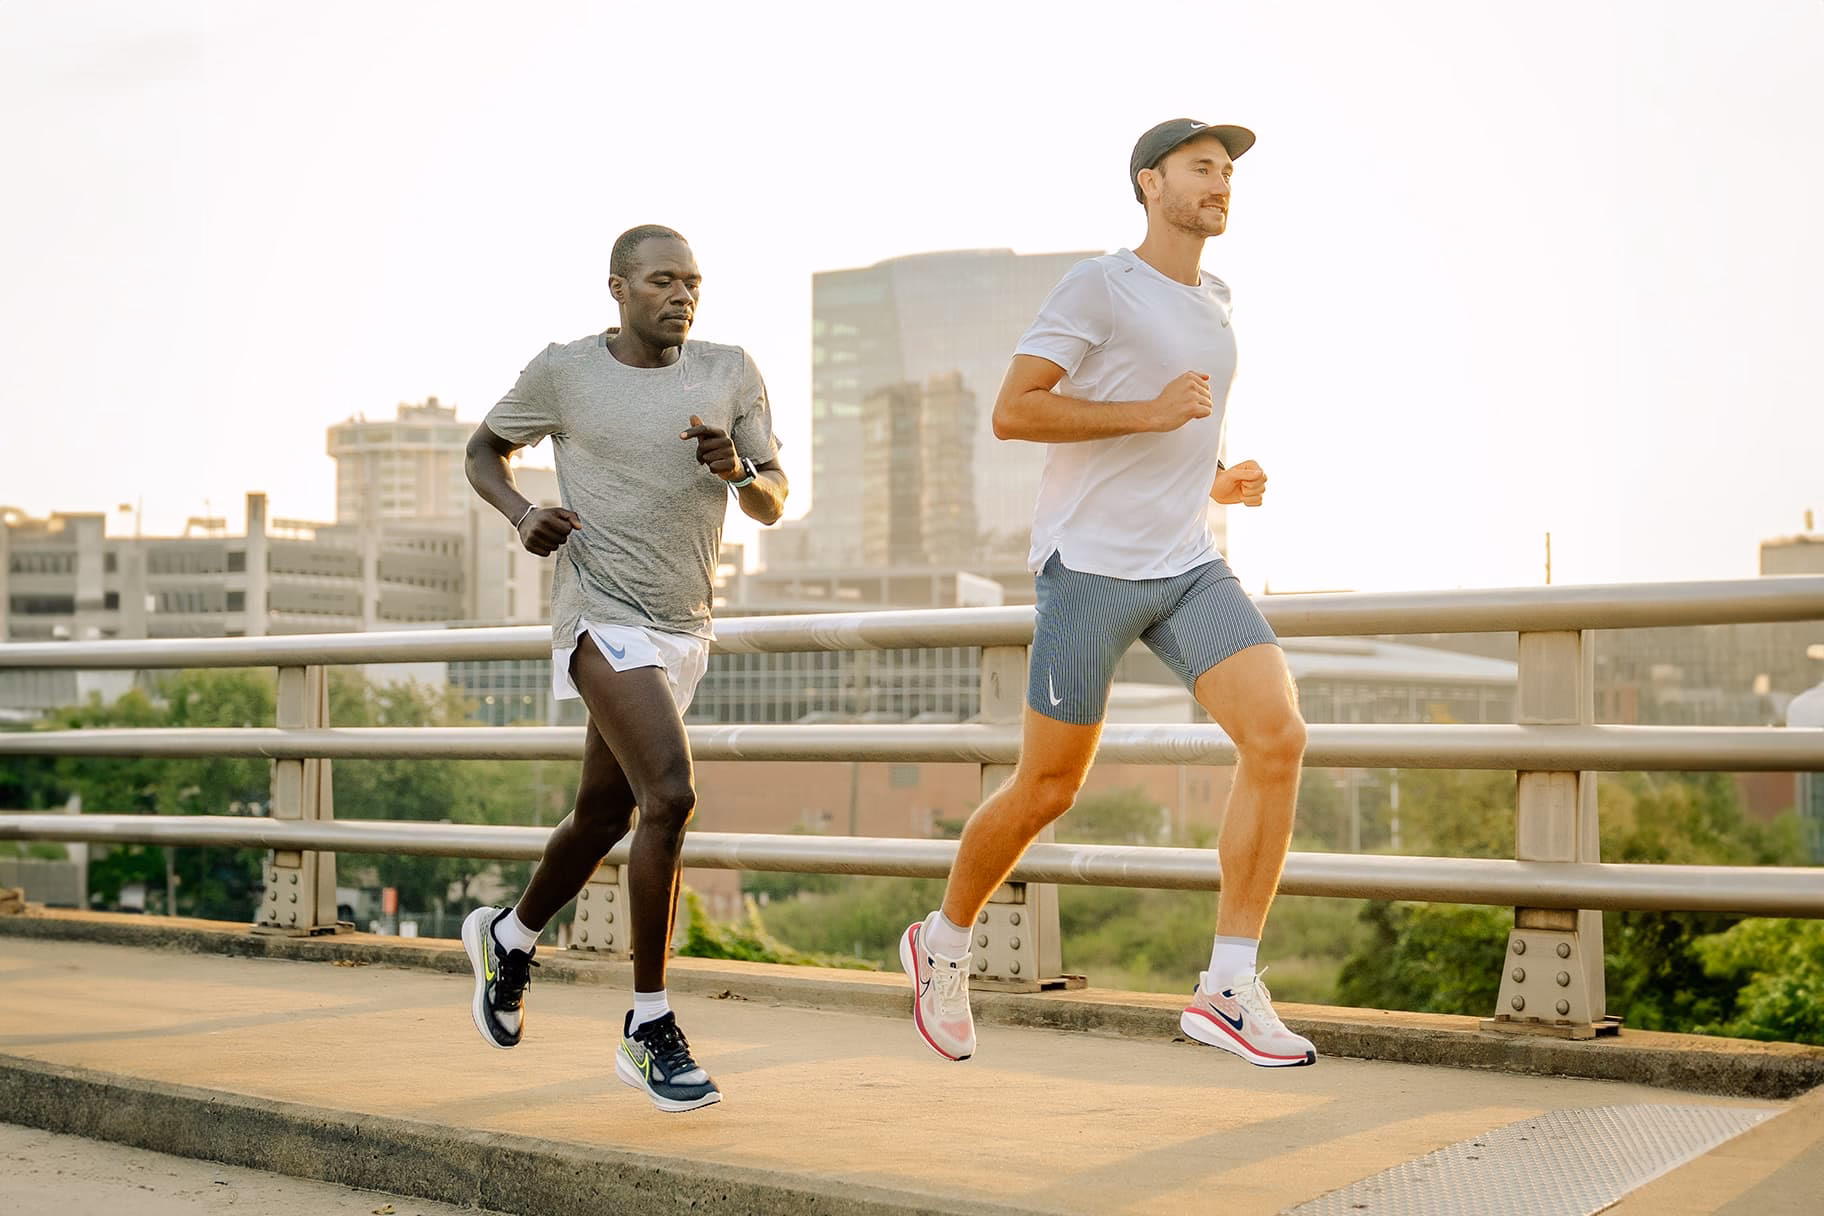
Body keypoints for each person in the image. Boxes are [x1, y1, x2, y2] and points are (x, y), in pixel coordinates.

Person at [901, 120, 1316, 1069]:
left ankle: (1227, 985)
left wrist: (1214, 477)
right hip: (1088, 570)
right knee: (1049, 788)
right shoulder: (1099, 283)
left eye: (1227, 173)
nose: (1221, 185)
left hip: (1187, 564)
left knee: (1278, 737)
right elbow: (1017, 410)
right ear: (1149, 182)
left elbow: (1173, 426)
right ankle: (945, 941)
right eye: (1202, 169)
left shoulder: (1216, 298)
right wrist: (1151, 412)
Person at [460, 224, 787, 1112]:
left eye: (692, 282)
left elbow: (774, 500)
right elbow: (483, 451)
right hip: (598, 617)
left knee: (602, 814)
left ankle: (511, 936)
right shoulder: (566, 372)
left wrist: (738, 469)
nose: (681, 296)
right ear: (618, 288)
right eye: (661, 282)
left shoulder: (730, 369)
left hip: (685, 628)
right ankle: (650, 1024)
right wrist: (522, 514)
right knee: (671, 796)